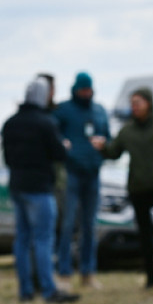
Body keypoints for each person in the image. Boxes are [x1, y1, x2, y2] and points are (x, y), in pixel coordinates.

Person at [95, 87, 153, 289]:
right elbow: (114, 153)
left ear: (149, 103)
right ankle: (150, 275)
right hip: (138, 188)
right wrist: (102, 148)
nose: (134, 107)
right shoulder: (127, 131)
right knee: (144, 232)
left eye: (138, 103)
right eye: (132, 104)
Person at [2, 78, 78, 304]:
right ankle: (48, 289)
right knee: (44, 238)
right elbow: (59, 154)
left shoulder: (10, 123)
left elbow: (7, 157)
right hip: (40, 187)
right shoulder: (45, 122)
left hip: (17, 185)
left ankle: (25, 290)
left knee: (23, 239)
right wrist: (64, 146)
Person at [53, 71, 111, 291]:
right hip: (71, 172)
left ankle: (88, 272)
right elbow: (52, 134)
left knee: (90, 225)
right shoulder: (64, 111)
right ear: (76, 89)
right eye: (83, 90)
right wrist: (63, 146)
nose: (86, 93)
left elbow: (108, 138)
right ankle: (64, 272)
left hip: (93, 172)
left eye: (89, 90)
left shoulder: (99, 111)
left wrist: (104, 145)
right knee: (68, 224)